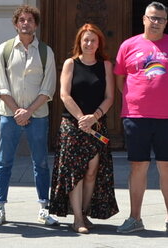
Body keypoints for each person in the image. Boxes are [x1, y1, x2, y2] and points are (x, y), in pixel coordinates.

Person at [113, 1, 168, 235]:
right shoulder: (128, 45)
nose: (156, 22)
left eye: (161, 19)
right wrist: (137, 99)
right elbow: (120, 79)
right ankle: (135, 217)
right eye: (152, 17)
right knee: (137, 166)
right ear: (144, 19)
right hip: (136, 117)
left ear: (166, 22)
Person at [0, 5, 59, 226]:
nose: (26, 23)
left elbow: (48, 87)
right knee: (4, 162)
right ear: (16, 24)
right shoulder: (4, 49)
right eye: (22, 20)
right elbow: (0, 85)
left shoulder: (46, 52)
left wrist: (28, 111)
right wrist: (17, 110)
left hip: (37, 116)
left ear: (36, 24)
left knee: (41, 163)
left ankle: (44, 208)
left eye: (30, 20)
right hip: (8, 115)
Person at [48, 23, 119, 233]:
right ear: (79, 42)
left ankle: (85, 213)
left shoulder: (105, 66)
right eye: (85, 40)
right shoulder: (70, 63)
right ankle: (77, 219)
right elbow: (64, 94)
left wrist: (93, 117)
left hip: (96, 125)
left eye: (93, 40)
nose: (89, 44)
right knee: (75, 171)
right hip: (72, 125)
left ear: (99, 43)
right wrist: (81, 119)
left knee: (92, 171)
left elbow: (110, 97)